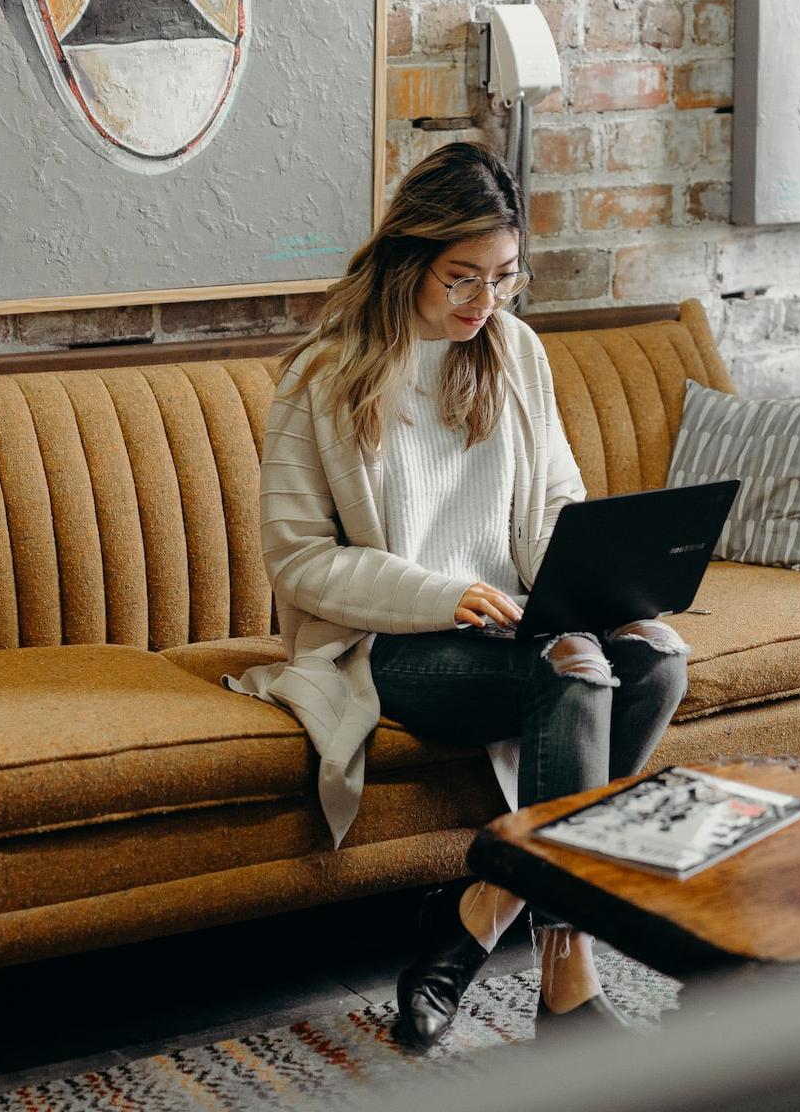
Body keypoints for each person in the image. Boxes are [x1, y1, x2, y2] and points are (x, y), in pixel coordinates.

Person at [229, 141, 690, 1049]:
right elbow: (298, 560)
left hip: (519, 617)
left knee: (654, 657)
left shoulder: (513, 352)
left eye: (505, 278)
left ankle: (480, 906)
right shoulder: (322, 378)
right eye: (462, 280)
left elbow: (557, 498)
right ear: (409, 260)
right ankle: (568, 979)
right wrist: (445, 595)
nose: (486, 304)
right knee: (573, 672)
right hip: (394, 641)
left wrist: (600, 584)